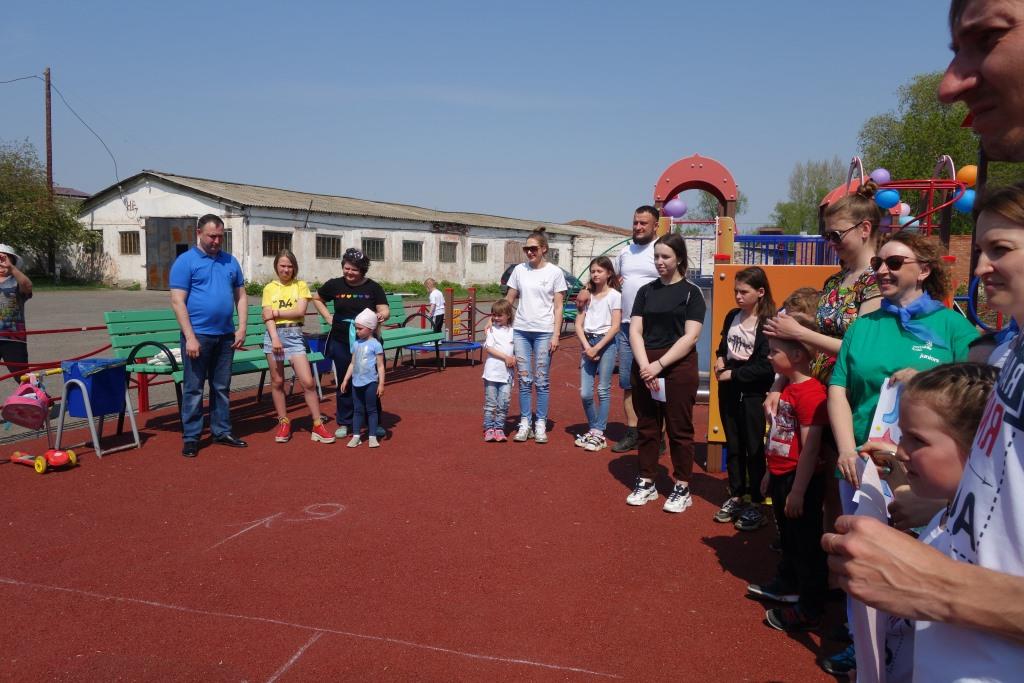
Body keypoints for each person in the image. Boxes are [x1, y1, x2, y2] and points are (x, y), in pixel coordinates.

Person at [823, 4, 1024, 670]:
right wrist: (939, 496)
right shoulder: (1009, 344)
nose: (949, 83)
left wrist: (939, 587)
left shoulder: (963, 332)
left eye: (989, 37)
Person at [857, 363, 999, 682]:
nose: (901, 451)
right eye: (902, 436)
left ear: (979, 446)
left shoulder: (987, 549)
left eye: (917, 440)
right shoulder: (947, 514)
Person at [831, 231, 978, 490]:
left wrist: (927, 382)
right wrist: (847, 451)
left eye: (894, 263)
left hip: (924, 473)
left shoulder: (954, 327)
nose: (882, 271)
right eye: (877, 263)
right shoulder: (862, 327)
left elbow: (978, 393)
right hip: (860, 466)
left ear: (924, 270)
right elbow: (838, 389)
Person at [745, 319, 830, 633]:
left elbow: (811, 448)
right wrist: (770, 472)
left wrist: (798, 490)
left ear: (796, 356)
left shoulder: (811, 394)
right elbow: (778, 435)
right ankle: (790, 583)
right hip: (782, 474)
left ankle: (810, 607)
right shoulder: (789, 389)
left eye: (774, 351)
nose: (769, 356)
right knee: (789, 538)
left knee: (806, 543)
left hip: (798, 478)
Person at [624, 232, 706, 513]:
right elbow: (635, 330)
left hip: (677, 368)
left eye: (665, 257)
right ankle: (647, 480)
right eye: (656, 256)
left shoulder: (691, 293)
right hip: (645, 365)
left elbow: (691, 337)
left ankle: (682, 485)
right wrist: (644, 365)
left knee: (679, 428)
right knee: (647, 426)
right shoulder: (645, 291)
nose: (660, 261)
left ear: (679, 258)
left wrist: (659, 365)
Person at [169, 214, 248, 458]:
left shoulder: (230, 261)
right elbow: (178, 301)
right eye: (212, 236)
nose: (216, 241)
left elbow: (241, 296)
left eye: (220, 237)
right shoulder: (185, 262)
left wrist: (242, 327)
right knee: (194, 388)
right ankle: (191, 437)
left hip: (225, 336)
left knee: (221, 387)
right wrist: (190, 337)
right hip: (199, 336)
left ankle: (221, 431)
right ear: (199, 233)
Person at [713, 266, 776, 529]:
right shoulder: (732, 316)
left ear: (760, 292)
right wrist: (719, 360)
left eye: (744, 292)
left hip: (752, 393)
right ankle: (737, 494)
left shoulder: (768, 322)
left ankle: (757, 502)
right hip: (728, 390)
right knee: (734, 445)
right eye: (736, 291)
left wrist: (734, 374)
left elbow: (766, 366)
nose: (738, 296)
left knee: (754, 447)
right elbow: (722, 347)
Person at [312, 248, 389, 439]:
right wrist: (328, 317)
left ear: (362, 270)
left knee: (370, 380)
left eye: (354, 269)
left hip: (368, 343)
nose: (349, 272)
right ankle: (345, 422)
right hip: (341, 340)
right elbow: (317, 298)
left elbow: (384, 309)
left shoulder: (373, 287)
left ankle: (374, 421)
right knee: (344, 380)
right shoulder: (335, 285)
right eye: (346, 268)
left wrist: (382, 315)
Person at [261, 250, 334, 444]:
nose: (286, 269)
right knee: (277, 381)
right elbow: (267, 317)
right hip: (274, 337)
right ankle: (284, 421)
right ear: (276, 266)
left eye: (289, 266)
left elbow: (300, 311)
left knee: (308, 382)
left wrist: (276, 312)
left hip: (294, 337)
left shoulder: (300, 286)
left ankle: (317, 424)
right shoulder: (269, 288)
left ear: (294, 268)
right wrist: (275, 338)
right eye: (282, 265)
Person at [505, 227, 567, 444]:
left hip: (544, 332)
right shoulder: (519, 270)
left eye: (533, 249)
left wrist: (556, 335)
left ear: (544, 249)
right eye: (526, 249)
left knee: (541, 380)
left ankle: (540, 422)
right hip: (521, 330)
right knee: (524, 379)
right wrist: (495, 320)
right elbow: (509, 298)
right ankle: (525, 422)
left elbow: (558, 306)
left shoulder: (555, 273)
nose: (529, 252)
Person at [610, 206, 661, 453]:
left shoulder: (662, 250)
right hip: (627, 327)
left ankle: (658, 436)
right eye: (635, 223)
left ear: (655, 226)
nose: (638, 227)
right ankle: (632, 432)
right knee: (628, 383)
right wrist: (588, 290)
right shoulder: (625, 252)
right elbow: (609, 277)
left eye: (643, 223)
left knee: (656, 383)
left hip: (655, 328)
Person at [573, 256, 622, 452]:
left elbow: (615, 326)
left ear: (609, 273)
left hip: (606, 343)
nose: (595, 274)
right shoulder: (587, 296)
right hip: (588, 342)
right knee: (585, 393)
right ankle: (594, 429)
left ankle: (599, 432)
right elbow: (578, 324)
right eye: (592, 271)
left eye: (599, 271)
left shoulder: (614, 296)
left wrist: (598, 347)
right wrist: (587, 347)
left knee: (603, 389)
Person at [340, 308, 385, 448]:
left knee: (371, 410)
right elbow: (352, 363)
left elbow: (380, 366)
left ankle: (372, 436)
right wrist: (345, 379)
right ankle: (356, 436)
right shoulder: (356, 344)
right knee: (358, 409)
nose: (357, 331)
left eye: (360, 328)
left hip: (370, 382)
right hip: (356, 383)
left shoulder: (376, 345)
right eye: (356, 328)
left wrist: (381, 384)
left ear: (370, 328)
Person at [482, 299, 515, 443]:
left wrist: (514, 358)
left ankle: (499, 428)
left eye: (499, 315)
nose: (496, 318)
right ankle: (489, 428)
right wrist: (506, 357)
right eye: (494, 315)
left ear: (508, 315)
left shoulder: (514, 331)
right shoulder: (492, 330)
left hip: (506, 375)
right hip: (491, 373)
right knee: (491, 403)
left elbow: (517, 350)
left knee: (504, 403)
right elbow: (489, 348)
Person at [0, 244, 32, 383]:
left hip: (13, 338)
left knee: (23, 378)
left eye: (5, 259)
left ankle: (37, 395)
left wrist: (11, 268)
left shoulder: (16, 282)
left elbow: (28, 286)